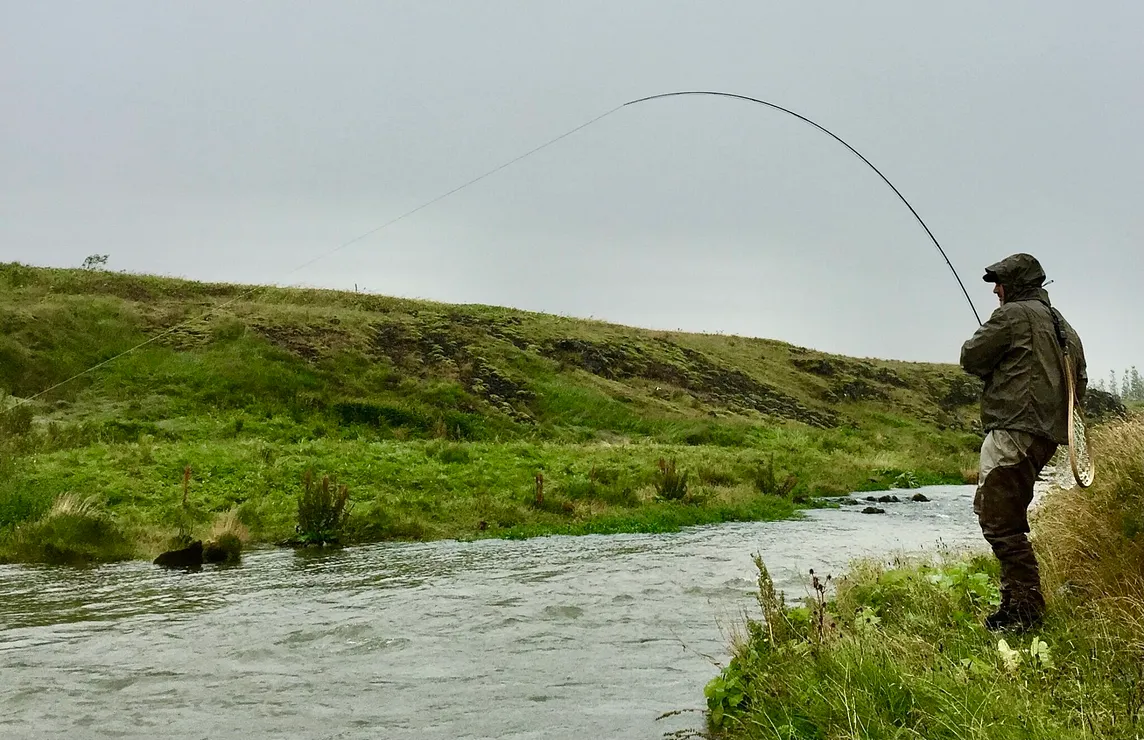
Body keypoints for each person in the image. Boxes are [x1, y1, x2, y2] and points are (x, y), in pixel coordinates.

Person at [960, 253, 1086, 631]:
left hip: (1013, 428)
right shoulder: (1065, 326)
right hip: (1045, 436)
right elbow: (1080, 381)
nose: (996, 289)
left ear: (1015, 284)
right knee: (1003, 513)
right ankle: (1014, 604)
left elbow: (971, 357)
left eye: (999, 282)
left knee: (998, 519)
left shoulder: (1013, 315)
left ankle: (1026, 609)